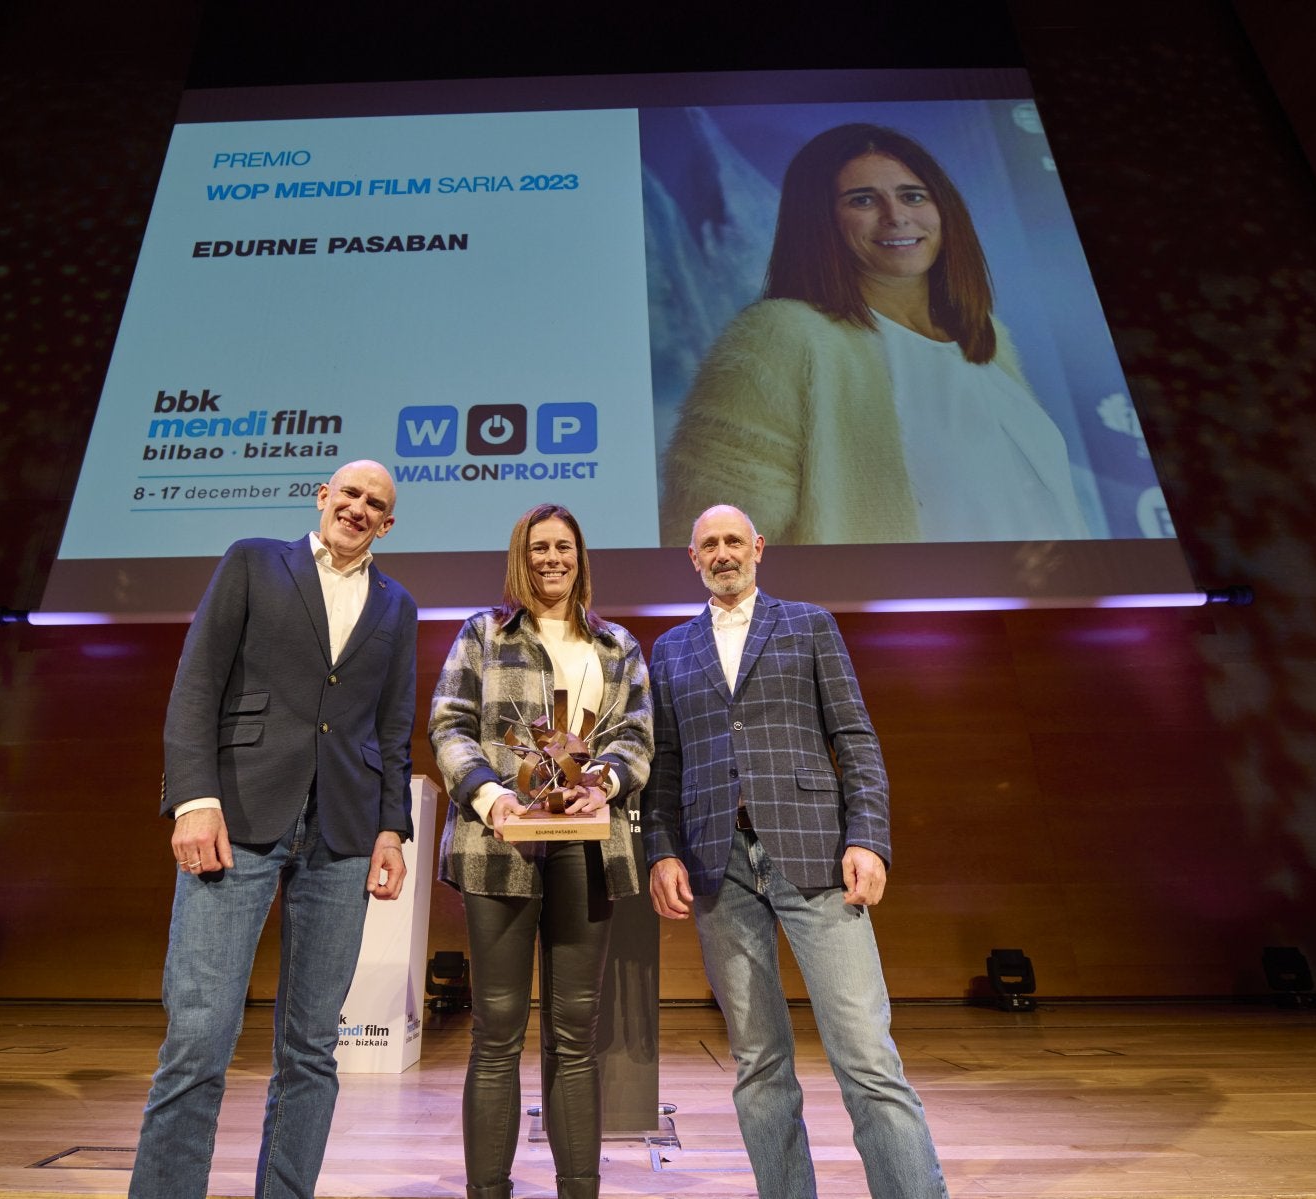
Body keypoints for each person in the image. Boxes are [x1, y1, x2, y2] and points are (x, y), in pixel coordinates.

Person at [129, 459, 417, 1199]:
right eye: (348, 493)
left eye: (374, 503)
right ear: (322, 497)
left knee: (314, 1050)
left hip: (343, 835)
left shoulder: (397, 604)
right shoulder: (254, 560)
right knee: (198, 1038)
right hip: (239, 817)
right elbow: (196, 683)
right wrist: (193, 797)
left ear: (388, 523)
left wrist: (393, 831)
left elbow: (393, 730)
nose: (357, 507)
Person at [643, 504, 948, 1199]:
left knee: (866, 1055)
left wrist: (869, 835)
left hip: (816, 857)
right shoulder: (669, 648)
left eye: (732, 540)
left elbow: (856, 739)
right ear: (692, 558)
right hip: (718, 866)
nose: (721, 552)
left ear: (758, 547)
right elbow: (663, 765)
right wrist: (661, 851)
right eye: (707, 544)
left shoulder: (809, 622)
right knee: (757, 1063)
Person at [658, 123, 1090, 547]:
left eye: (913, 195)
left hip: (1049, 607)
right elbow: (715, 536)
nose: (897, 216)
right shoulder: (783, 335)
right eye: (863, 200)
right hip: (903, 615)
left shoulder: (984, 337)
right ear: (820, 221)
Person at [429, 502, 654, 1199]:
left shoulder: (618, 645)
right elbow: (448, 724)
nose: (551, 558)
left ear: (580, 557)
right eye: (537, 548)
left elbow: (638, 735)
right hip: (498, 848)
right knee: (496, 1029)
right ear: (519, 559)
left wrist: (605, 785)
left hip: (588, 851)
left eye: (563, 547)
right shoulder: (483, 634)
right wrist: (493, 795)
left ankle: (578, 1189)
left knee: (574, 1035)